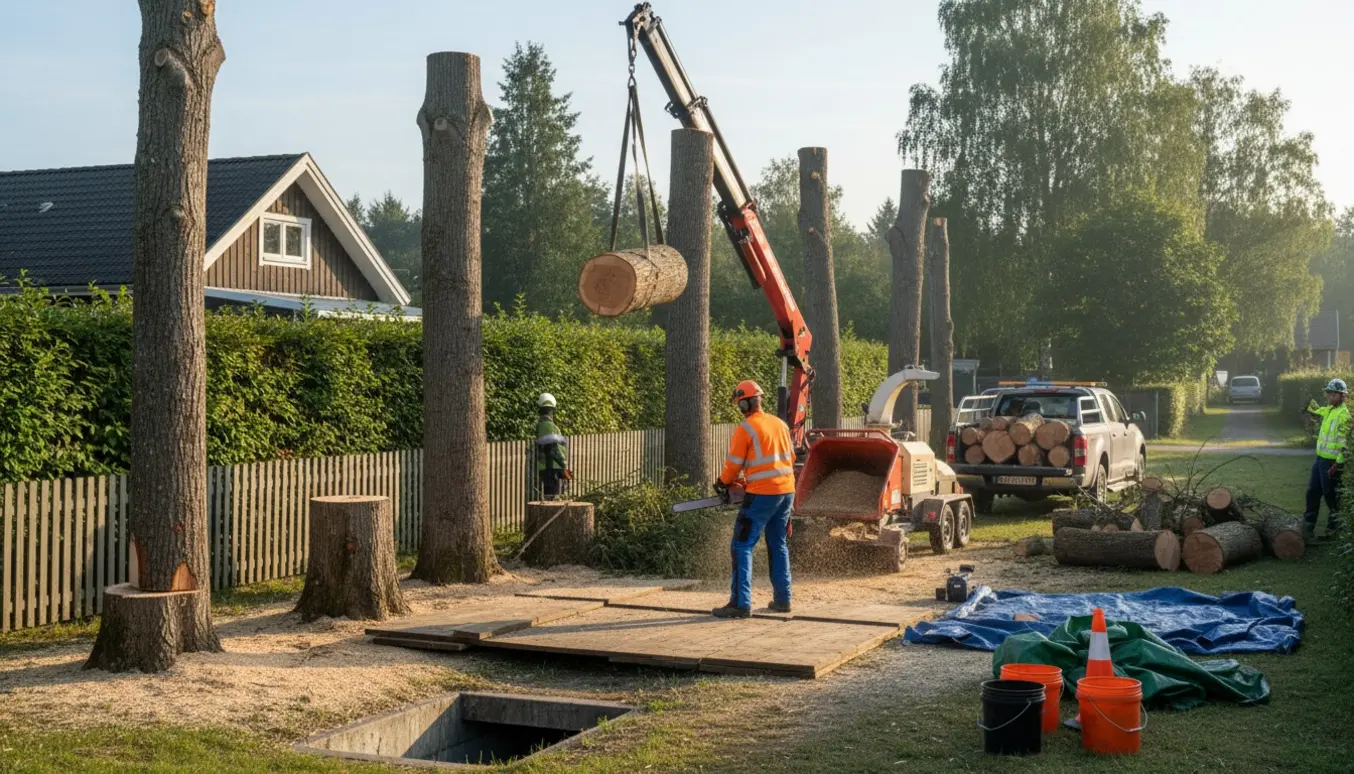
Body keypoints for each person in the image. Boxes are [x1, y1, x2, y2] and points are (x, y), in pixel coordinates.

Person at [711, 380, 796, 619]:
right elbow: (787, 458)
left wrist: (722, 482)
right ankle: (783, 600)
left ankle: (740, 603)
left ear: (744, 403)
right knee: (778, 544)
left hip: (762, 495)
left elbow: (733, 465)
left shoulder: (745, 428)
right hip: (786, 491)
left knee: (741, 546)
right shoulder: (780, 424)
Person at [1301, 378, 1348, 540]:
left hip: (1331, 462)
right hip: (1319, 459)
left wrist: (1338, 463)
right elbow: (1318, 410)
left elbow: (1344, 442)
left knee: (1331, 496)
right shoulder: (1328, 410)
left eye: (1332, 394)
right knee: (1312, 492)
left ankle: (1333, 530)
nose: (1328, 397)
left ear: (1342, 396)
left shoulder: (1344, 415)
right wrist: (1308, 404)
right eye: (1328, 394)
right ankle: (1308, 526)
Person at [535, 393, 571, 500]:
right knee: (552, 499)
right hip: (551, 468)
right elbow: (553, 448)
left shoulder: (541, 425)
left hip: (548, 467)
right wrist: (563, 465)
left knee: (550, 498)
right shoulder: (548, 426)